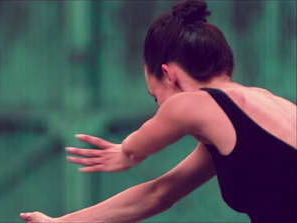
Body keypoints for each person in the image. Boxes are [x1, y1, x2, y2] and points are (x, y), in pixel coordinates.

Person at [20, 0, 297, 222]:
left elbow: (134, 150)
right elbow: (158, 194)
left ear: (169, 75)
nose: (161, 107)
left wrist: (125, 152)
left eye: (156, 98)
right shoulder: (260, 111)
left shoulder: (194, 102)